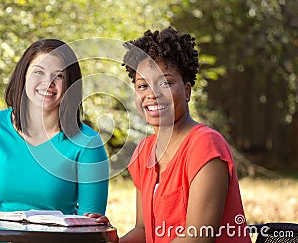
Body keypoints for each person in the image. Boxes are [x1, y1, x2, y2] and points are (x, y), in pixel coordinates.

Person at [89, 27, 251, 243]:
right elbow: (143, 230)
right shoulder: (144, 152)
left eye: (165, 82)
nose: (152, 94)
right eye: (142, 85)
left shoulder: (205, 144)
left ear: (187, 90)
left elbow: (198, 238)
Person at [0, 39, 109, 223]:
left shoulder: (88, 143)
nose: (48, 82)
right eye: (38, 72)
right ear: (23, 76)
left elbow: (88, 223)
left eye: (59, 76)